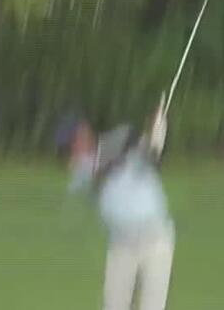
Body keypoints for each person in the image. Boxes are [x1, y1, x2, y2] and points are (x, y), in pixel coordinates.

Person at [57, 100, 173, 310]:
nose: (73, 148)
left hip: (156, 240)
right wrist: (115, 159)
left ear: (85, 132)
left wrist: (158, 133)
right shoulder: (79, 169)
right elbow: (95, 175)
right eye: (69, 145)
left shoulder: (118, 142)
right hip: (121, 245)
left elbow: (145, 149)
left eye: (74, 140)